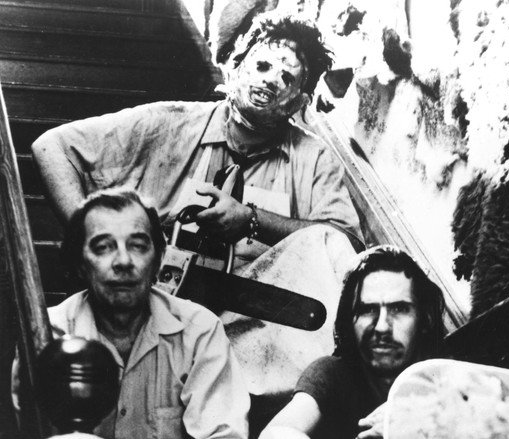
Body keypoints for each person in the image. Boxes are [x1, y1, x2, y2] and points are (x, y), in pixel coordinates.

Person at [31, 16, 363, 398]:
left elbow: (344, 245)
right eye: (262, 65)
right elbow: (51, 148)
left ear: (301, 102)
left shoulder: (316, 158)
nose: (271, 80)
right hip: (152, 313)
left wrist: (251, 220)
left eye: (287, 77)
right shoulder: (169, 122)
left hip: (252, 338)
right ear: (235, 67)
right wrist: (93, 244)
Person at [46, 188, 249, 439]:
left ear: (158, 260)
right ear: (79, 264)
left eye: (138, 246)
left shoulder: (199, 332)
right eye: (103, 247)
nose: (123, 261)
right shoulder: (48, 334)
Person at [260, 245, 446, 439]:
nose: (382, 327)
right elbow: (278, 432)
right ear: (350, 321)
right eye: (368, 310)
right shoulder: (333, 373)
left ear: (426, 318)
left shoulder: (448, 382)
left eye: (398, 309)